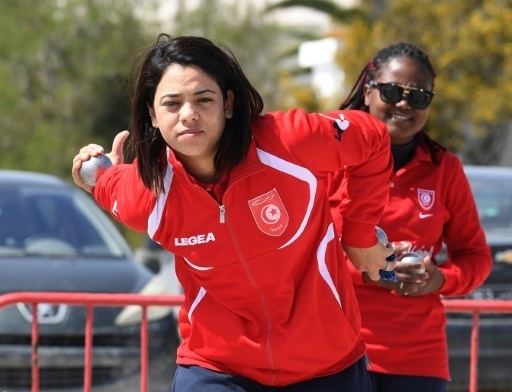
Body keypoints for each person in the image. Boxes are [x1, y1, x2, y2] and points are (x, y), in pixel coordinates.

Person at [72, 33, 396, 391]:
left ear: (228, 103)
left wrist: (360, 236)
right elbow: (107, 184)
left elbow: (373, 139)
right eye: (172, 103)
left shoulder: (289, 142)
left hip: (328, 366)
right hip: (218, 368)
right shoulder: (147, 195)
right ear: (152, 113)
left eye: (203, 99)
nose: (189, 114)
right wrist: (99, 174)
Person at [327, 41, 493, 392]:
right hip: (332, 349)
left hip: (417, 358)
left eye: (419, 97)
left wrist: (440, 279)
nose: (404, 103)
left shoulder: (444, 169)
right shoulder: (326, 161)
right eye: (391, 91)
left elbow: (476, 256)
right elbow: (292, 251)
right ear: (368, 91)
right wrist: (370, 270)